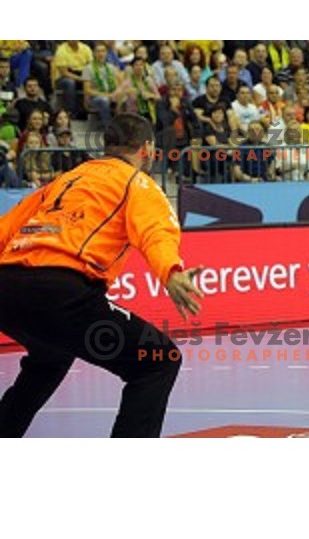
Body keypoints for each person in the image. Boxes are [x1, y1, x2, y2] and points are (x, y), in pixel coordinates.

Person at [0, 113, 203, 438]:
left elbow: (7, 227)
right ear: (147, 149)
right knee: (159, 360)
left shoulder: (66, 179)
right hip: (61, 292)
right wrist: (171, 271)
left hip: (6, 288)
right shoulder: (136, 182)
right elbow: (155, 231)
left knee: (50, 358)